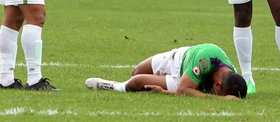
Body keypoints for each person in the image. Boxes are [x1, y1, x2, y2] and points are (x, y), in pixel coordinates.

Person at [85, 43, 247, 98]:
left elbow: (183, 90)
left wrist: (162, 92)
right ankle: (163, 77)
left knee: (136, 82)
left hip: (184, 80)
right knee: (136, 71)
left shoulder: (228, 77)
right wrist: (221, 100)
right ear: (218, 85)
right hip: (180, 58)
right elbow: (185, 90)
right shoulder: (205, 61)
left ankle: (112, 85)